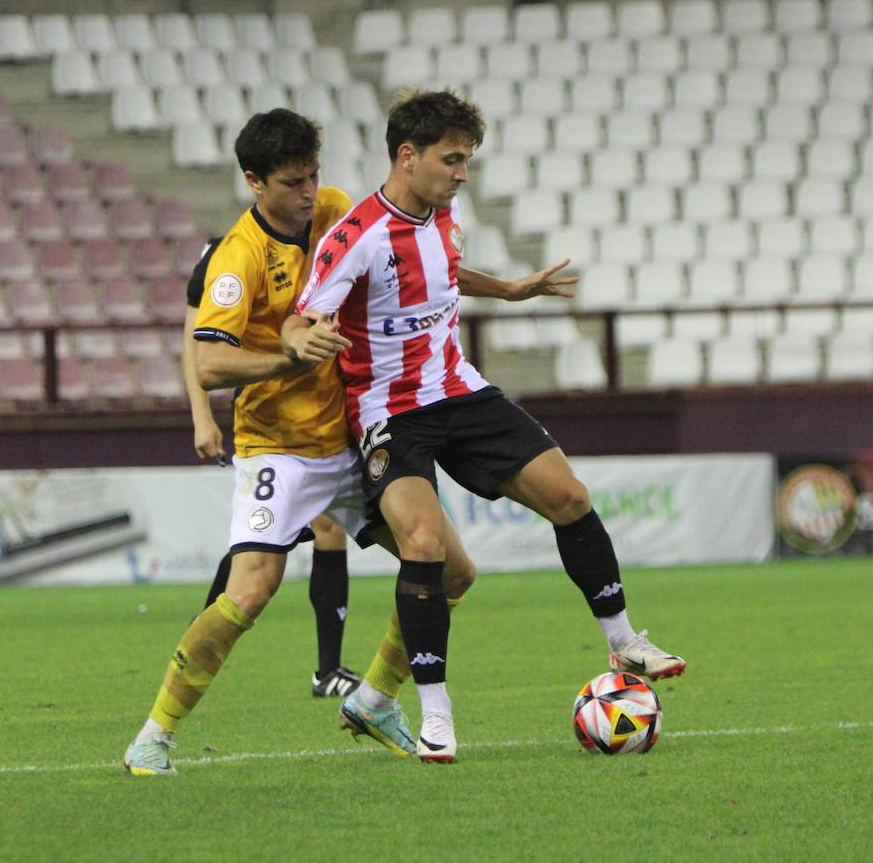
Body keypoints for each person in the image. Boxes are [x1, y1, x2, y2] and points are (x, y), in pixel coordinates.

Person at [123, 108, 561, 775]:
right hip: (279, 447)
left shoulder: (335, 212)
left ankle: (376, 698)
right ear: (254, 182)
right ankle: (153, 734)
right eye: (292, 182)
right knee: (249, 593)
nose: (308, 193)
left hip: (354, 435)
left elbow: (419, 268)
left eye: (313, 177)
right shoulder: (238, 258)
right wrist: (286, 356)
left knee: (452, 570)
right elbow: (210, 363)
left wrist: (506, 290)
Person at [284, 88, 685, 764]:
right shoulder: (353, 238)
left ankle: (622, 639)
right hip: (389, 409)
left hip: (458, 389)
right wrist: (302, 341)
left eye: (467, 160)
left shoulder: (444, 209)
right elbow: (302, 315)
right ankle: (435, 714)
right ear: (407, 157)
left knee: (570, 497)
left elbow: (440, 272)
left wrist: (509, 289)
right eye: (453, 159)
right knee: (423, 541)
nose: (463, 173)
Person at [181, 234, 361, 698]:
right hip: (266, 418)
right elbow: (196, 338)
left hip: (320, 413)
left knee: (327, 529)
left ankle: (328, 670)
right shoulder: (227, 252)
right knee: (255, 558)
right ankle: (199, 643)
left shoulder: (322, 237)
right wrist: (202, 416)